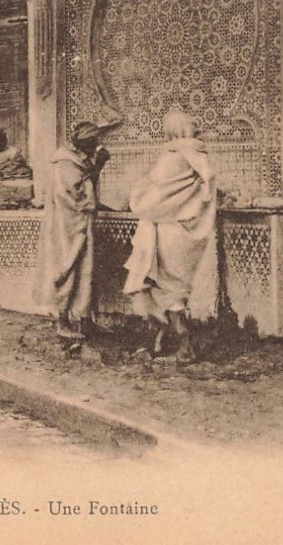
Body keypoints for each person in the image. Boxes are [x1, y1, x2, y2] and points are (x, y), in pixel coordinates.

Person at [124, 110, 217, 362]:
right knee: (169, 286)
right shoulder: (194, 151)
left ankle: (185, 346)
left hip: (168, 228)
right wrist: (195, 205)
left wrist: (140, 196)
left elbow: (156, 188)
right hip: (179, 227)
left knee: (167, 286)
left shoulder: (176, 154)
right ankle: (162, 338)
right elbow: (205, 184)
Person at [34, 121, 110, 342]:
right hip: (65, 228)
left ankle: (86, 321)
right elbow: (71, 198)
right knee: (66, 269)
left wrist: (96, 167)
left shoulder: (78, 161)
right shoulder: (65, 164)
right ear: (82, 142)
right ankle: (62, 322)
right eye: (92, 143)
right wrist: (96, 168)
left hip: (79, 226)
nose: (94, 147)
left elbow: (87, 189)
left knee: (86, 272)